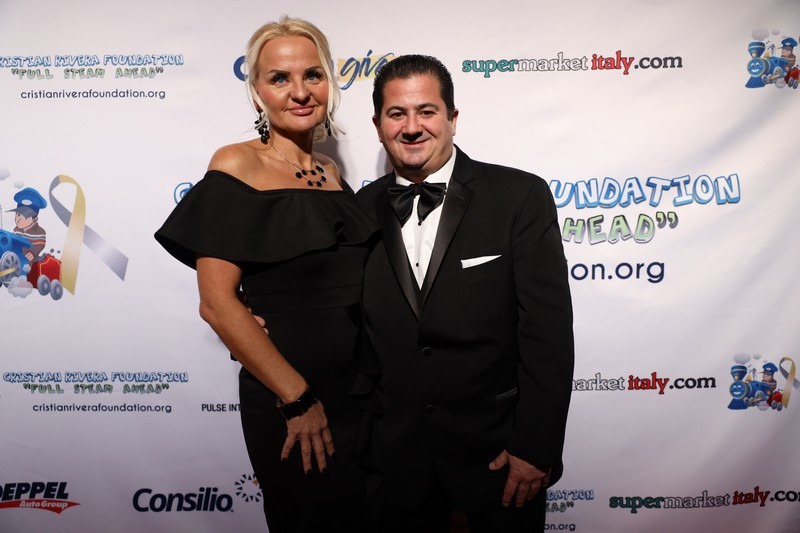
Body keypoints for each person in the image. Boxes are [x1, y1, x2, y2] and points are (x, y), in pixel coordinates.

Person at [154, 16, 377, 532]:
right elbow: (217, 303)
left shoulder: (332, 173)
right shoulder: (237, 164)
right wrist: (298, 399)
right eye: (279, 78)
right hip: (292, 398)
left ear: (330, 83)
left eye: (313, 75)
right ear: (257, 93)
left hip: (360, 396)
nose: (300, 91)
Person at [353, 54, 574, 532]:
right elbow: (340, 316)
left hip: (500, 453)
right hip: (396, 459)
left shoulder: (519, 196)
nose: (412, 127)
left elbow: (548, 336)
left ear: (453, 118)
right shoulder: (358, 209)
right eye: (397, 114)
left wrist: (535, 448)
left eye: (427, 111)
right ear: (377, 125)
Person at [9, 187, 47, 264]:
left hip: (28, 261)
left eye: (25, 217)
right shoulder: (16, 230)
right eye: (18, 215)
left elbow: (39, 245)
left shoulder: (40, 232)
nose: (19, 219)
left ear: (34, 218)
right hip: (14, 258)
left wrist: (33, 253)